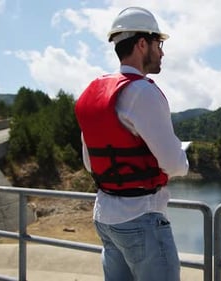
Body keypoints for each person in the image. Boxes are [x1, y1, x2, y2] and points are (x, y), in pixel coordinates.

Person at [74, 7, 188, 281]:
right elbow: (175, 165)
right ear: (141, 44)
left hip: (105, 218)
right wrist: (181, 156)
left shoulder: (95, 92)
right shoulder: (143, 92)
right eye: (158, 44)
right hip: (142, 219)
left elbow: (91, 163)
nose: (161, 52)